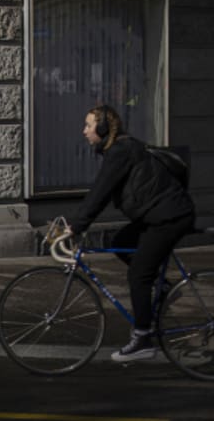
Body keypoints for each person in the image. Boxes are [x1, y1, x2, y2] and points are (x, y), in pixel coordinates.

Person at [68, 105, 195, 362]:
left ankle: (143, 338)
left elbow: (100, 193)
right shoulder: (122, 148)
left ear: (103, 129)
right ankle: (163, 288)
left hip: (169, 218)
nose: (84, 131)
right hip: (158, 215)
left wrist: (76, 227)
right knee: (121, 241)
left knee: (138, 274)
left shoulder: (120, 151)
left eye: (89, 125)